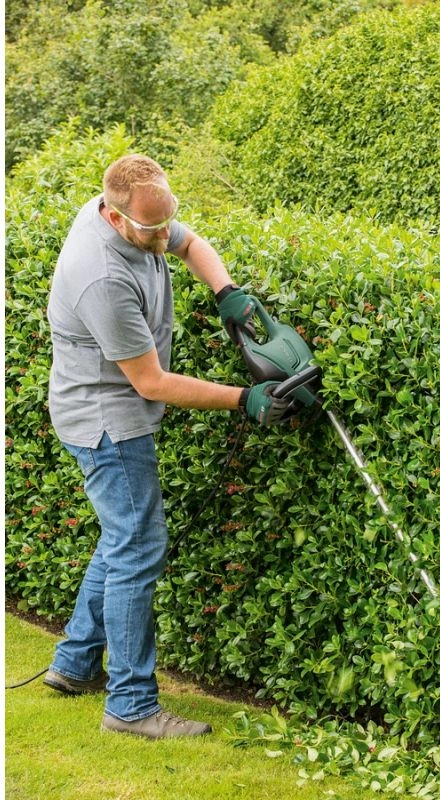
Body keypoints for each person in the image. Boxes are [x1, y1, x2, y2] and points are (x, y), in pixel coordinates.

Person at [44, 154, 289, 739]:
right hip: (107, 423)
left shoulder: (139, 211)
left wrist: (226, 290)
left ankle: (74, 664)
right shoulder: (101, 277)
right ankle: (131, 707)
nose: (163, 237)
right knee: (138, 547)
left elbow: (188, 242)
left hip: (111, 410)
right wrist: (245, 399)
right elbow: (151, 383)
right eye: (151, 230)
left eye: (165, 221)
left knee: (122, 537)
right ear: (114, 216)